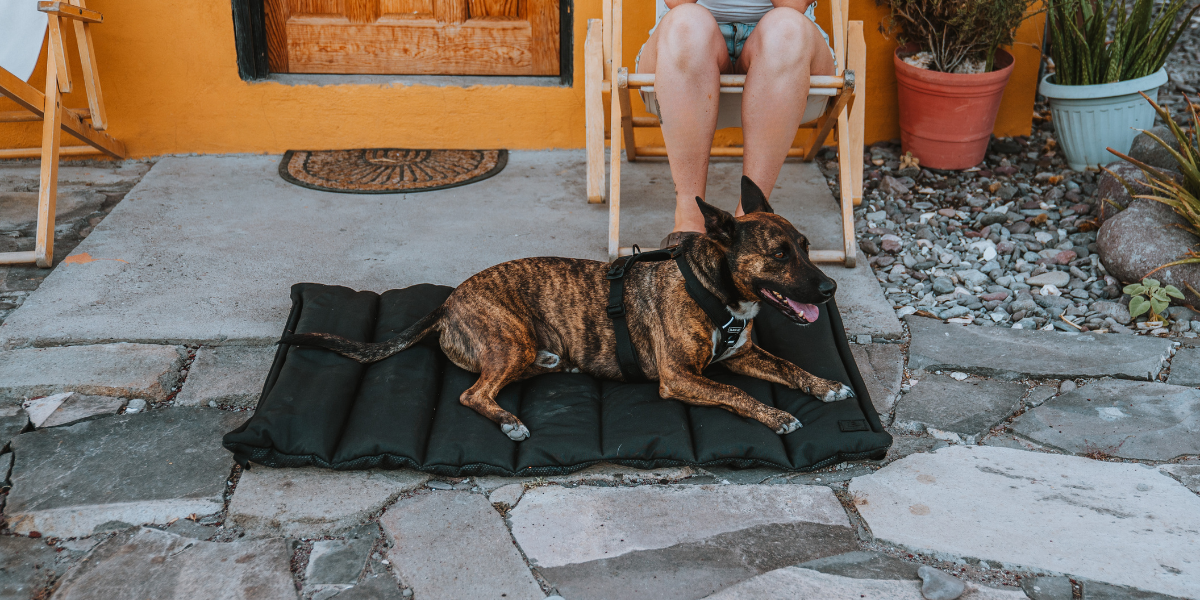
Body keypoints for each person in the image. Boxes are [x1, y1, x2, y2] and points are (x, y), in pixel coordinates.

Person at [636, 0, 837, 246]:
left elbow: (793, 4)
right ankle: (689, 221)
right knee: (685, 24)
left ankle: (750, 223)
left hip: (789, 52)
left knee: (787, 29)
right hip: (684, 46)